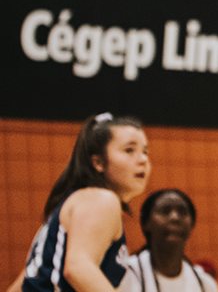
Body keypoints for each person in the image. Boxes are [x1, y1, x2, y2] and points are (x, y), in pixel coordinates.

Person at [6, 113, 150, 292]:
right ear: (98, 162)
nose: (143, 159)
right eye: (129, 150)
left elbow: (21, 284)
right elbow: (78, 269)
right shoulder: (101, 199)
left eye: (145, 151)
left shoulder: (78, 202)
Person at [120, 189, 218, 292]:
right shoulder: (125, 274)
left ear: (192, 224)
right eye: (165, 211)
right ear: (146, 223)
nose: (175, 217)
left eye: (183, 212)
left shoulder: (205, 284)